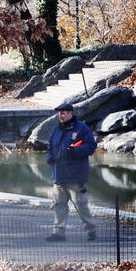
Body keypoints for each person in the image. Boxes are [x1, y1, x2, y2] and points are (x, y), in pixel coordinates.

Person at [44, 102, 98, 242]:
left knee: (81, 205)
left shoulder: (82, 129)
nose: (60, 115)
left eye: (63, 113)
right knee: (59, 205)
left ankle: (91, 230)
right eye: (59, 113)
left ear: (70, 113)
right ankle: (58, 233)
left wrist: (76, 150)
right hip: (58, 175)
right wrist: (49, 158)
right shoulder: (56, 130)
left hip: (75, 175)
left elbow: (91, 146)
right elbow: (50, 147)